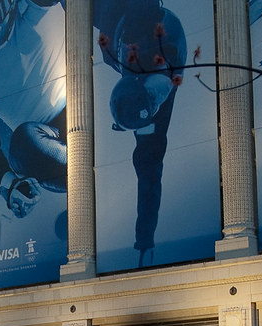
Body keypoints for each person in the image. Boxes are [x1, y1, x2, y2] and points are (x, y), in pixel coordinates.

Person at [93, 0, 187, 267]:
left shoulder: (151, 126)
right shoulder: (148, 29)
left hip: (126, 34)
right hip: (132, 24)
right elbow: (149, 182)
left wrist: (144, 242)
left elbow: (149, 180)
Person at [0, 0, 67, 222]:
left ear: (11, 5)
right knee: (23, 142)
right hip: (41, 143)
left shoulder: (33, 9)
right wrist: (11, 184)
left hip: (78, 109)